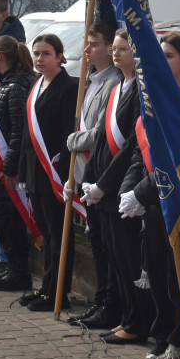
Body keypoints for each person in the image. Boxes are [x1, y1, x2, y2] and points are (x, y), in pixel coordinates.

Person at [123, 32, 180, 359]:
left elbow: (172, 157)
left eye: (168, 56)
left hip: (179, 204)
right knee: (158, 277)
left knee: (178, 280)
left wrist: (141, 193)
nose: (162, 63)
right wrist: (131, 190)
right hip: (154, 204)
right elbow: (140, 153)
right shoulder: (155, 98)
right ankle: (164, 340)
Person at [81, 29, 154, 345]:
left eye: (123, 48)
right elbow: (102, 140)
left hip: (123, 185)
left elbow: (131, 147)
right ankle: (127, 316)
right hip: (104, 184)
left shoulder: (141, 90)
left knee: (128, 258)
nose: (115, 53)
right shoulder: (116, 89)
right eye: (114, 48)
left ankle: (138, 321)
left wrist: (106, 183)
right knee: (115, 257)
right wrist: (93, 179)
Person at [65, 20, 123, 329]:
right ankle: (101, 300)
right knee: (97, 242)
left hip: (101, 171)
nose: (87, 49)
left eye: (94, 44)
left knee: (106, 245)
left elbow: (102, 130)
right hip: (85, 171)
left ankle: (110, 304)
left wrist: (74, 140)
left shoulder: (113, 82)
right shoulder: (93, 79)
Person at [17, 33, 78, 312]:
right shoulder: (36, 85)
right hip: (34, 173)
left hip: (54, 173)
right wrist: (22, 173)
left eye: (46, 54)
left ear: (60, 56)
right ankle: (46, 289)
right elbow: (26, 136)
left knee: (58, 236)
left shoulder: (69, 88)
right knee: (46, 233)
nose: (40, 59)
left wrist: (64, 171)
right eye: (36, 53)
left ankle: (58, 293)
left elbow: (69, 134)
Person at [0, 35, 37, 291]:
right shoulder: (2, 83)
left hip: (6, 168)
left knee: (12, 222)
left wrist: (9, 167)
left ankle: (20, 271)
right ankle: (11, 266)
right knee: (1, 221)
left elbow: (18, 132)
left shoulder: (17, 86)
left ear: (0, 56)